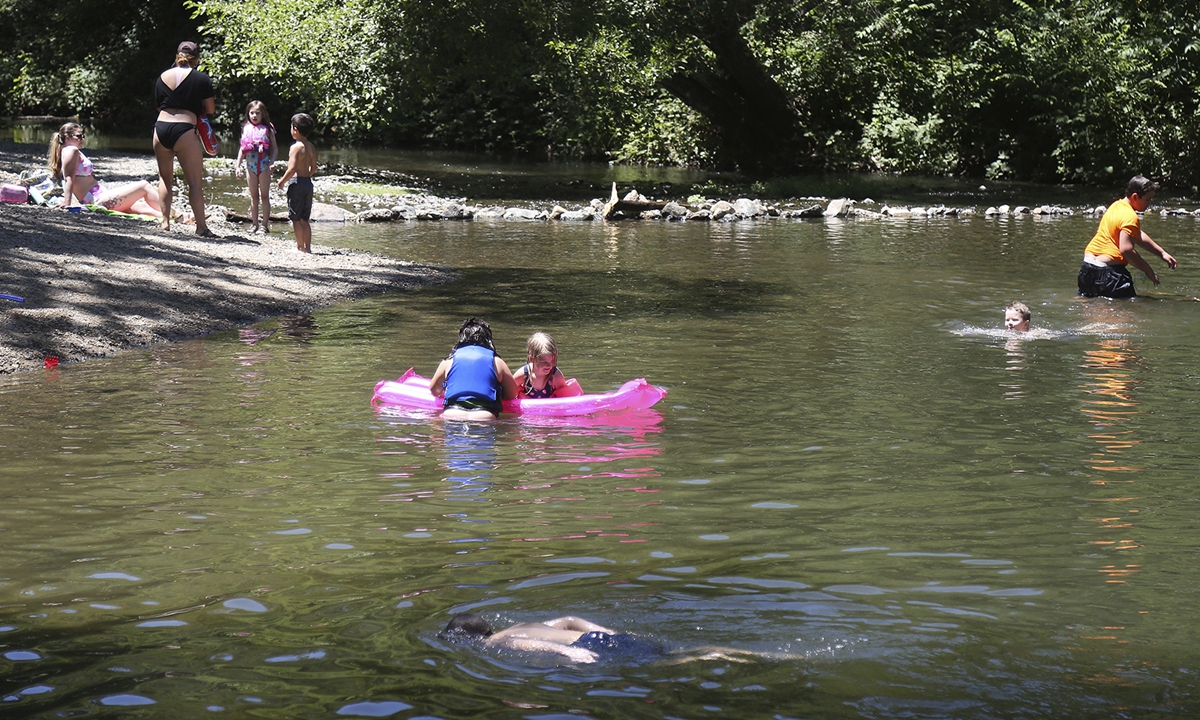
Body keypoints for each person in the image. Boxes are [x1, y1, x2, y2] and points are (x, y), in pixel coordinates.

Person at [440, 613, 770, 665]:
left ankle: (715, 656)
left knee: (670, 661)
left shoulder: (493, 642)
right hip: (598, 636)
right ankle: (733, 651)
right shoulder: (525, 621)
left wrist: (570, 655)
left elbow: (525, 645)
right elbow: (568, 618)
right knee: (675, 651)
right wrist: (608, 632)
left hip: (589, 648)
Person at [152, 40, 215, 237]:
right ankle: (201, 227)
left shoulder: (162, 76)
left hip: (161, 128)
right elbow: (210, 109)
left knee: (164, 177)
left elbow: (158, 106)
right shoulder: (201, 79)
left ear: (177, 55)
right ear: (196, 58)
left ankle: (164, 222)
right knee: (195, 182)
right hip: (186, 129)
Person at [1078, 175, 1177, 298]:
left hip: (1087, 268)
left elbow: (1136, 234)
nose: (1150, 203)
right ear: (1135, 196)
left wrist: (1161, 253)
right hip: (1109, 273)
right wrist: (1148, 270)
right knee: (1128, 313)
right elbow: (1126, 250)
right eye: (1147, 199)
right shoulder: (1130, 216)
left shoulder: (1115, 206)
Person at [49, 123, 162, 217]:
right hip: (98, 200)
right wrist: (67, 204)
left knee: (142, 207)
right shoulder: (71, 150)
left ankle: (175, 217)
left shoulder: (70, 150)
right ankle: (172, 215)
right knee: (144, 185)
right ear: (67, 137)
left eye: (83, 136)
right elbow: (69, 178)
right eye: (78, 136)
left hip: (102, 195)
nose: (82, 139)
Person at [429, 317, 518, 420]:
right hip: (484, 416)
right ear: (488, 340)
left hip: (452, 414)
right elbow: (512, 394)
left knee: (437, 425)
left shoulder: (449, 360)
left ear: (461, 338)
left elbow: (434, 390)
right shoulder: (497, 362)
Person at [276, 113, 317, 253]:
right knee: (305, 219)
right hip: (308, 183)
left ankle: (300, 247)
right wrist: (307, 176)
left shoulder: (295, 147)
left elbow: (292, 168)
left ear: (295, 129)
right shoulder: (310, 146)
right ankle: (308, 248)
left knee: (296, 218)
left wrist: (282, 181)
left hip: (297, 184)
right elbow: (314, 167)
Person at [235, 101, 277, 234]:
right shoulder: (246, 128)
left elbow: (275, 149)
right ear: (248, 114)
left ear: (262, 114)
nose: (254, 115)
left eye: (257, 113)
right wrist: (238, 166)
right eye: (252, 113)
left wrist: (271, 163)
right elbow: (242, 149)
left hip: (264, 166)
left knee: (265, 196)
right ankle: (254, 224)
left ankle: (264, 225)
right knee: (254, 197)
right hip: (250, 167)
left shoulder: (268, 129)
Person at [512, 331, 581, 398]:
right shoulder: (523, 375)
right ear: (532, 359)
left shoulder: (556, 376)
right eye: (544, 362)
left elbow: (564, 398)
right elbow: (509, 392)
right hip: (528, 409)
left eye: (552, 361)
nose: (550, 365)